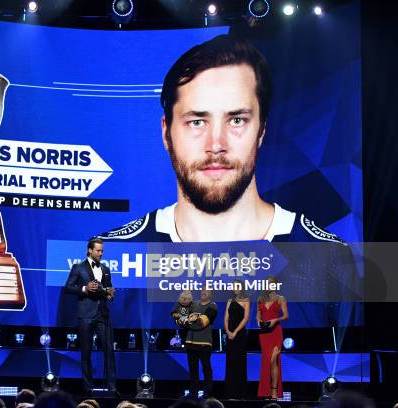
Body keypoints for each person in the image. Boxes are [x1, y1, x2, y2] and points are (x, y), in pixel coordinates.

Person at [98, 34, 345, 246]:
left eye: (236, 120)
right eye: (197, 122)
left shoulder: (330, 262)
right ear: (166, 133)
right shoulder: (111, 262)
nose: (216, 145)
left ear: (262, 131)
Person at [64, 237, 117, 396]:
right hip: (86, 314)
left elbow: (108, 289)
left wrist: (110, 293)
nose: (101, 253)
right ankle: (88, 389)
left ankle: (111, 388)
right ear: (90, 250)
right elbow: (68, 287)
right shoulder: (78, 267)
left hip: (102, 314)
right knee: (86, 352)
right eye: (98, 250)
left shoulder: (106, 269)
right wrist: (85, 288)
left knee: (109, 351)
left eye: (102, 251)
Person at [171, 289, 218, 398]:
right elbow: (179, 319)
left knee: (206, 368)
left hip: (204, 343)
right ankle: (193, 394)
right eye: (202, 290)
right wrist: (187, 320)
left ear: (211, 294)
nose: (203, 292)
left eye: (207, 291)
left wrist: (186, 321)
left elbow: (202, 323)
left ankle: (208, 394)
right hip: (190, 343)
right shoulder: (193, 304)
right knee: (193, 370)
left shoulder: (213, 306)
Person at [257, 276, 288, 399]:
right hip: (264, 334)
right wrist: (258, 321)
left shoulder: (281, 299)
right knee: (266, 362)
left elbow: (286, 316)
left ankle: (274, 389)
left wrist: (276, 319)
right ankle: (266, 391)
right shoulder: (261, 299)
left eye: (270, 284)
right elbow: (258, 315)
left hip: (275, 332)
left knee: (273, 360)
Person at [223, 279, 250, 399]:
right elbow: (226, 318)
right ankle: (230, 392)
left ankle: (240, 393)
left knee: (239, 363)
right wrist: (228, 331)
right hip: (230, 335)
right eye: (233, 286)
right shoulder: (230, 301)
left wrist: (235, 332)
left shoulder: (246, 301)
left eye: (237, 286)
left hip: (239, 335)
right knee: (231, 362)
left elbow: (245, 319)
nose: (235, 288)